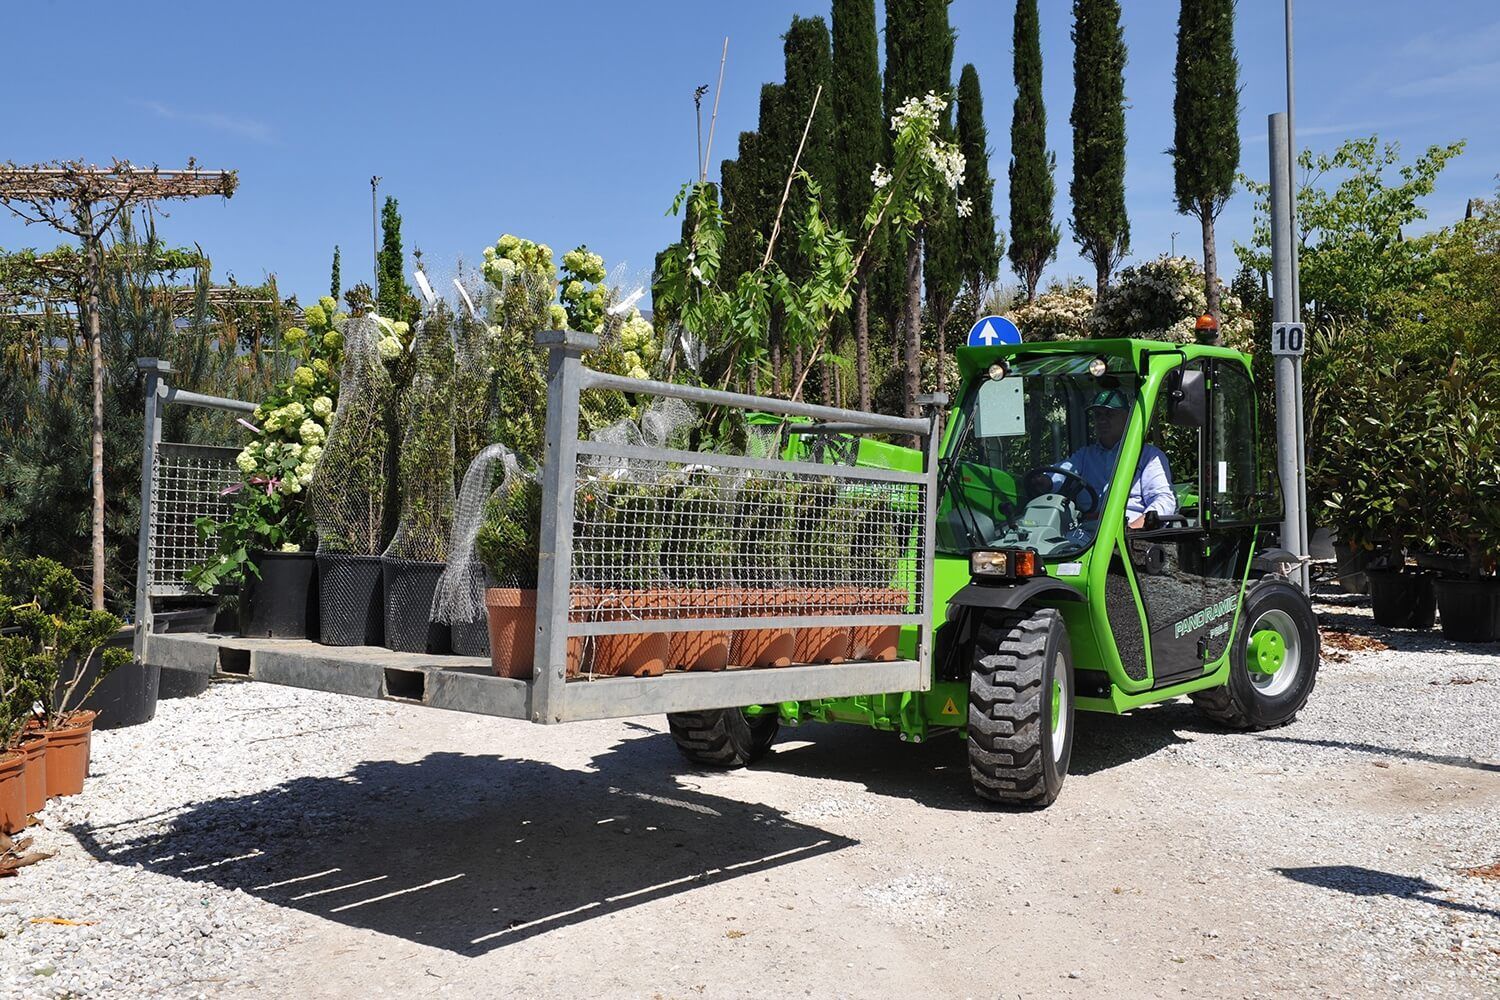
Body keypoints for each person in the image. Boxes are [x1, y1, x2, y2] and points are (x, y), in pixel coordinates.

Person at [1027, 388, 1176, 529]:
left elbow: (1163, 499)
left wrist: (1137, 526)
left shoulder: (1148, 456)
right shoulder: (1085, 456)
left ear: (1127, 418)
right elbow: (1062, 472)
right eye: (1098, 415)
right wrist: (1045, 480)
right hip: (1087, 531)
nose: (1102, 420)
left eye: (1109, 414)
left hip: (1129, 534)